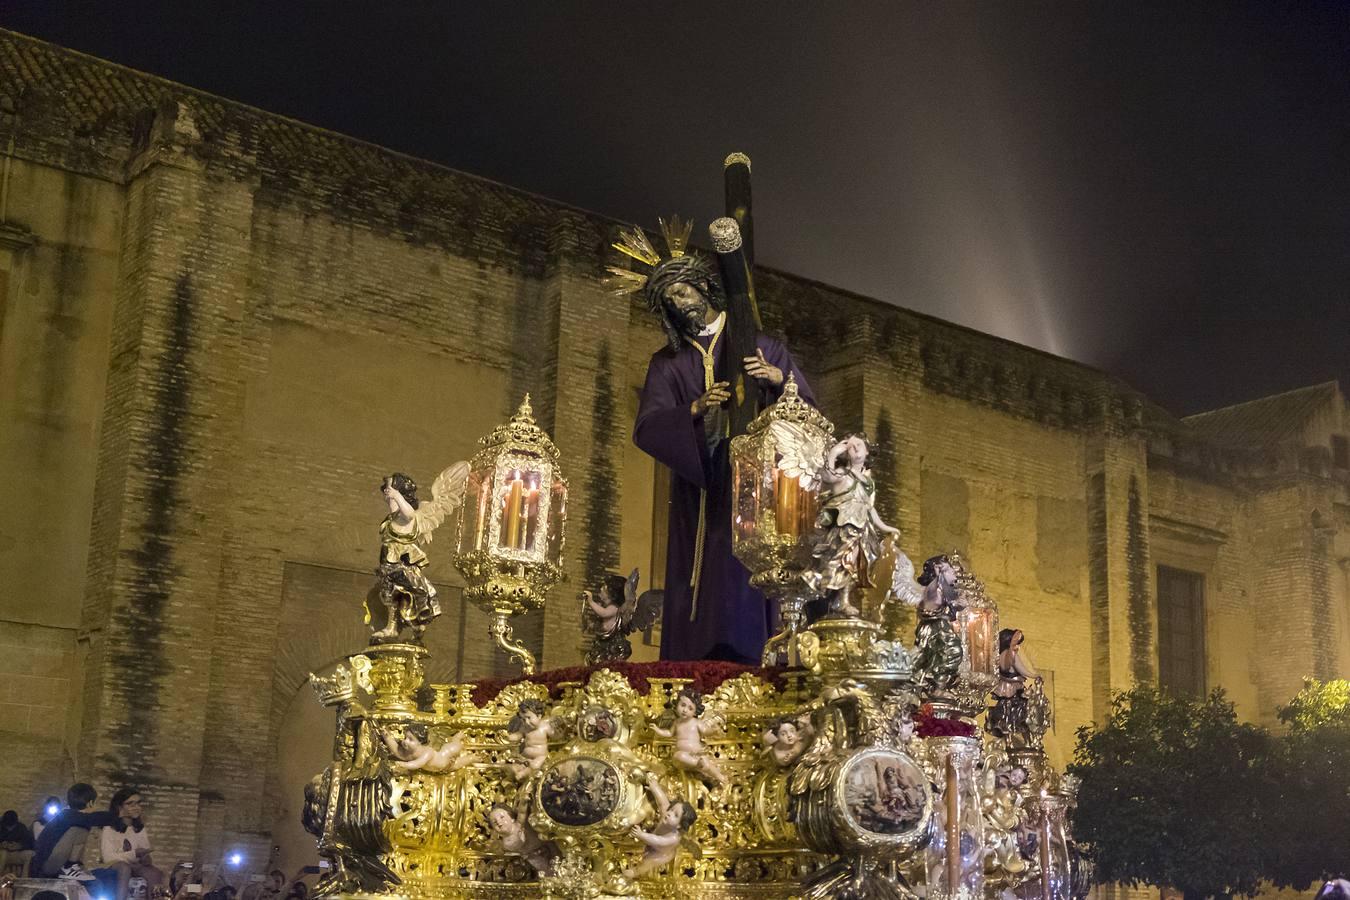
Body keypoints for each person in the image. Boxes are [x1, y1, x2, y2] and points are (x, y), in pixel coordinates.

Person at [629, 232, 813, 662]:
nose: (680, 302)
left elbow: (808, 414)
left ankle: (760, 650)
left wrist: (776, 380)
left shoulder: (762, 346)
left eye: (682, 289)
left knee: (752, 565)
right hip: (702, 486)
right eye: (670, 299)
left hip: (759, 487)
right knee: (705, 568)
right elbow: (649, 425)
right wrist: (693, 410)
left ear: (702, 286)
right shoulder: (668, 363)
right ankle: (699, 657)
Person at [32, 783, 119, 881]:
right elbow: (98, 818)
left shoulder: (67, 815)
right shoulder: (71, 817)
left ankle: (72, 867)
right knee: (80, 829)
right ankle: (70, 867)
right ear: (90, 803)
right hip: (45, 868)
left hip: (44, 865)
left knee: (83, 826)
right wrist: (120, 815)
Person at [97, 789, 163, 900]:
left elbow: (145, 856)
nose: (136, 807)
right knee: (124, 868)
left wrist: (146, 857)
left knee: (155, 872)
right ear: (119, 807)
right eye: (130, 803)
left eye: (138, 803)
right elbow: (108, 857)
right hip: (115, 865)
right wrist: (134, 854)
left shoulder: (139, 829)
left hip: (134, 864)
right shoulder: (109, 828)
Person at [0, 810, 34, 875]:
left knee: (29, 854)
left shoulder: (21, 827)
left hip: (16, 853)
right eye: (7, 827)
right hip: (2, 853)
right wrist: (2, 845)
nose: (9, 829)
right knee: (3, 853)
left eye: (12, 827)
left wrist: (20, 846)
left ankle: (24, 881)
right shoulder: (1, 826)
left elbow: (30, 843)